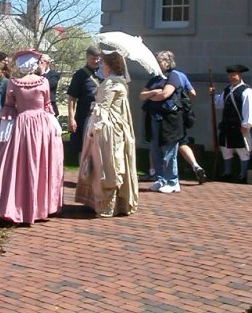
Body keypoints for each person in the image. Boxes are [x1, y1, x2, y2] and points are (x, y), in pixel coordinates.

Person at [0, 49, 64, 225]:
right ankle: (39, 205)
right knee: (40, 162)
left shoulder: (13, 83)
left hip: (21, 125)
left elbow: (9, 106)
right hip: (41, 126)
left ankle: (19, 203)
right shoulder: (43, 82)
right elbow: (47, 105)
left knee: (19, 164)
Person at [75, 51, 139, 217]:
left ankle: (106, 205)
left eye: (104, 63)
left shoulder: (111, 83)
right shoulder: (120, 81)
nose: (101, 66)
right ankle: (118, 204)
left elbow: (104, 108)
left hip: (107, 128)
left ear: (109, 66)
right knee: (115, 163)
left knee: (107, 165)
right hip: (117, 126)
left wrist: (92, 128)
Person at [139, 50, 184, 193]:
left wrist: (153, 94)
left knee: (169, 152)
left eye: (159, 61)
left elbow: (165, 94)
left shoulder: (174, 76)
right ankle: (161, 179)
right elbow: (142, 95)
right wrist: (154, 93)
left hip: (169, 121)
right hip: (153, 119)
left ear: (168, 62)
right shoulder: (154, 78)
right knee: (155, 150)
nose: (157, 64)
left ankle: (173, 181)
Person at [210, 64, 252, 183]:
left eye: (233, 75)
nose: (231, 77)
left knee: (243, 150)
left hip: (239, 126)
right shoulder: (227, 90)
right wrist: (213, 95)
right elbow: (219, 104)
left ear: (239, 75)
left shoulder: (246, 90)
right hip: (226, 125)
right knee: (226, 149)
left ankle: (242, 174)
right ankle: (227, 172)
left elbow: (248, 108)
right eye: (230, 75)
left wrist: (246, 124)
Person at [67, 46, 101, 160]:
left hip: (100, 117)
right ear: (87, 57)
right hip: (84, 116)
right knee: (83, 147)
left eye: (98, 58)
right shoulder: (79, 75)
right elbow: (72, 98)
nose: (96, 61)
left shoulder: (104, 74)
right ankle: (83, 174)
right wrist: (71, 118)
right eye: (93, 58)